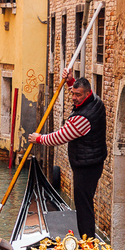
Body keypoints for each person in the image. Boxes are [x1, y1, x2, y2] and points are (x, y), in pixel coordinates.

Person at [28, 68, 106, 239]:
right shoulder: (95, 101)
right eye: (73, 93)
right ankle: (88, 239)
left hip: (86, 167)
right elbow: (77, 92)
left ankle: (88, 242)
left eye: (77, 95)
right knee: (85, 203)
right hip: (92, 162)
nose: (73, 97)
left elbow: (60, 137)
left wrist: (39, 138)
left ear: (86, 94)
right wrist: (71, 81)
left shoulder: (82, 118)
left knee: (83, 205)